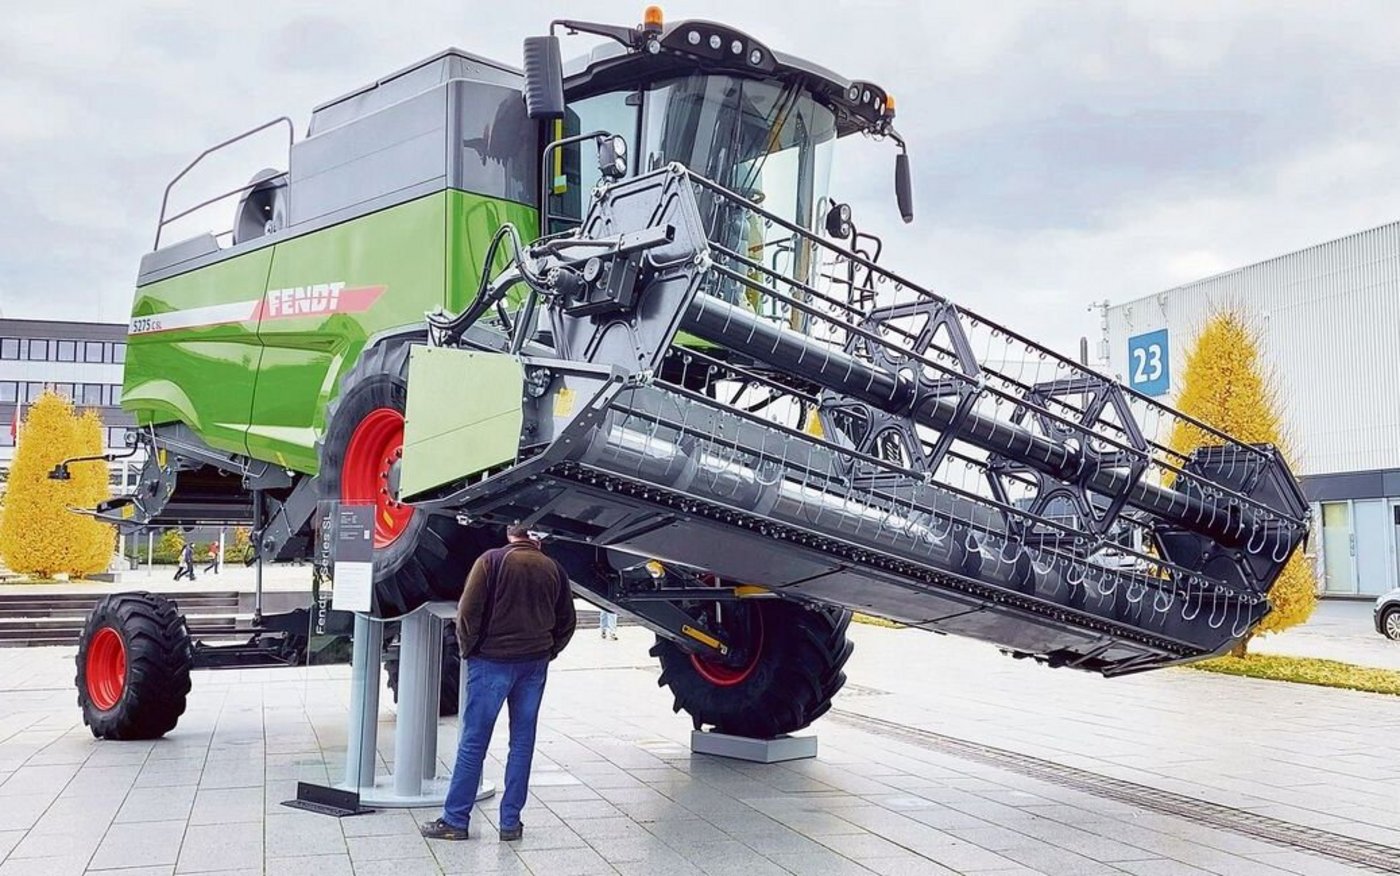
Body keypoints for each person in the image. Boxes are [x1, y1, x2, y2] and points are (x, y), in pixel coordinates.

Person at [421, 525, 576, 842]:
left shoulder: (490, 561)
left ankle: (455, 820)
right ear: (537, 538)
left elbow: (467, 612)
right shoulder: (553, 569)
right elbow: (567, 622)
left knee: (473, 743)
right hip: (533, 665)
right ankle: (510, 823)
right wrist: (549, 651)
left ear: (509, 533)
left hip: (490, 663)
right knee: (522, 743)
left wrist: (470, 650)